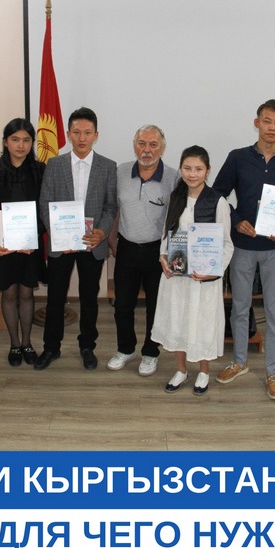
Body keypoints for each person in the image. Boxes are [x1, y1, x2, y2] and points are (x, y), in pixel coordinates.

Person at [212, 99, 275, 399]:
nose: (271, 128)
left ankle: (272, 371)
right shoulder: (237, 158)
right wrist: (237, 220)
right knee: (240, 307)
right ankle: (239, 362)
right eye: (267, 121)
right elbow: (218, 195)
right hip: (243, 246)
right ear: (257, 123)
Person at [35, 107, 117, 370]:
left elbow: (110, 206)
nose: (82, 138)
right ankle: (51, 347)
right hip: (62, 245)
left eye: (88, 133)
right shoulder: (54, 164)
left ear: (96, 135)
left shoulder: (108, 166)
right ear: (68, 134)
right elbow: (44, 203)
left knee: (89, 297)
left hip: (93, 242)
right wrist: (59, 235)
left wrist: (102, 232)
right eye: (77, 132)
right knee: (55, 297)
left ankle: (87, 346)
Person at [152, 145, 234, 396]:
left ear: (208, 171)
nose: (192, 174)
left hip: (203, 279)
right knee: (178, 319)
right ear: (181, 169)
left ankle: (203, 371)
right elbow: (167, 233)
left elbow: (227, 244)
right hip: (177, 277)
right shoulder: (176, 197)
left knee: (202, 323)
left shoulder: (218, 201)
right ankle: (181, 370)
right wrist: (163, 256)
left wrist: (215, 271)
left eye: (198, 169)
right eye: (187, 168)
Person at [106, 124, 177, 377]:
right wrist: (112, 238)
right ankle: (125, 349)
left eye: (153, 145)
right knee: (122, 305)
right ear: (134, 146)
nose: (147, 150)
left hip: (157, 252)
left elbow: (177, 218)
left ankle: (150, 352)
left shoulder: (174, 177)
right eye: (142, 144)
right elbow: (114, 208)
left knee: (155, 306)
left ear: (162, 148)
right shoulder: (120, 172)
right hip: (126, 248)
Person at [0, 118, 46, 367]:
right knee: (9, 293)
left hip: (30, 245)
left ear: (32, 143)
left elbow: (45, 209)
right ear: (5, 142)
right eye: (15, 139)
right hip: (2, 247)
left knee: (27, 293)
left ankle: (27, 342)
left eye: (26, 140)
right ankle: (14, 344)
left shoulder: (40, 170)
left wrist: (34, 236)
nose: (21, 145)